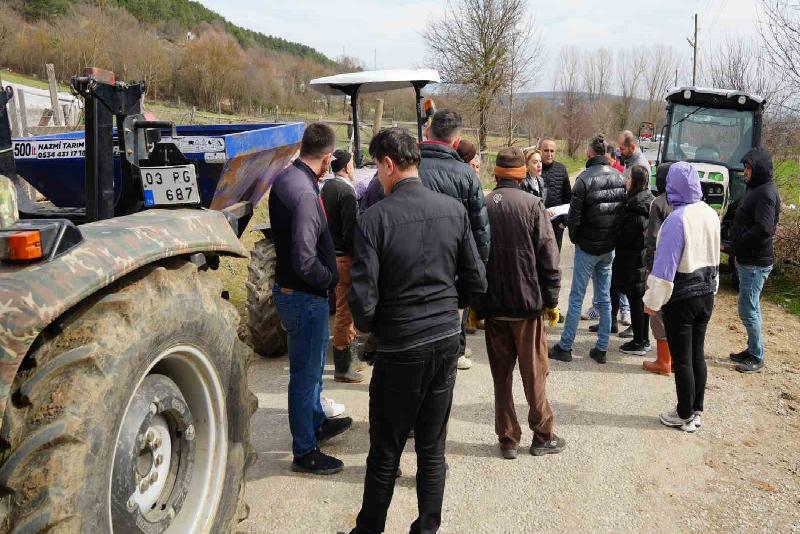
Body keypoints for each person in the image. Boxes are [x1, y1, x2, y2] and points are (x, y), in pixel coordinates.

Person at [347, 127, 487, 534]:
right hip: (444, 340)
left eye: (377, 167)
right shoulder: (453, 210)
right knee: (431, 445)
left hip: (402, 345)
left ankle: (369, 529)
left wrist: (377, 329)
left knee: (387, 449)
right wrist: (447, 309)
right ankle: (426, 528)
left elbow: (362, 301)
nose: (378, 175)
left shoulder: (374, 219)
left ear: (389, 164)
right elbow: (476, 281)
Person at [269, 123, 352, 474]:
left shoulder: (289, 178)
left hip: (298, 294)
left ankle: (316, 421)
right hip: (304, 295)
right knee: (305, 376)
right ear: (327, 158)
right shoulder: (303, 193)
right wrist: (329, 279)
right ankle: (305, 450)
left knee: (315, 368)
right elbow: (304, 257)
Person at [476, 147, 565, 460]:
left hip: (493, 308)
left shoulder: (483, 206)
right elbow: (549, 260)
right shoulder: (532, 205)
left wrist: (475, 304)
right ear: (521, 174)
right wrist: (552, 301)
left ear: (497, 174)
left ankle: (508, 439)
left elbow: (473, 260)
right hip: (527, 308)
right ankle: (542, 435)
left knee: (502, 377)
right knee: (534, 374)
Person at [644, 162, 720, 432]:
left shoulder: (676, 220)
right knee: (697, 354)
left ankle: (683, 413)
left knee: (683, 358)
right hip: (707, 292)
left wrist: (652, 303)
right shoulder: (711, 214)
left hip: (683, 296)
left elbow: (664, 270)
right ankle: (697, 409)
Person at [419, 110, 491, 371]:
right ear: (457, 141)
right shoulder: (467, 175)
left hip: (407, 264)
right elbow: (480, 232)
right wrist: (474, 278)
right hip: (450, 268)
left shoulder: (408, 167)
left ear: (428, 132)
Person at [549, 135, 626, 365]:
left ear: (590, 154)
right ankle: (602, 347)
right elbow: (621, 215)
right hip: (607, 247)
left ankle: (566, 346)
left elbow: (574, 218)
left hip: (588, 247)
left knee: (577, 297)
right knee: (603, 296)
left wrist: (576, 239)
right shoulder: (620, 178)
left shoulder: (584, 179)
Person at [729, 148, 781, 373]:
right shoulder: (757, 189)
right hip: (748, 259)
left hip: (756, 262)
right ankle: (752, 349)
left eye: (748, 168)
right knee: (751, 306)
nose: (744, 172)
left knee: (747, 309)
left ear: (758, 168)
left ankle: (757, 356)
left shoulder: (766, 194)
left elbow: (764, 228)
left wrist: (739, 242)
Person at [321, 149, 364, 383]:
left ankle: (350, 358)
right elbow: (350, 232)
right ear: (348, 167)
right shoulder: (347, 193)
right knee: (345, 312)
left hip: (329, 255)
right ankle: (342, 367)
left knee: (342, 309)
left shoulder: (327, 187)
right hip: (344, 259)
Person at [612, 165, 654, 355]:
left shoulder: (634, 209)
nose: (626, 182)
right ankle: (644, 339)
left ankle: (639, 342)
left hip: (633, 261)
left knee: (636, 301)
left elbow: (624, 238)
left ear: (636, 182)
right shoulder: (649, 201)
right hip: (642, 260)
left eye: (629, 179)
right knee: (641, 302)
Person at [642, 162, 674, 375]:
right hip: (679, 266)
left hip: (660, 265)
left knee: (658, 312)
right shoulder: (688, 202)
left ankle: (663, 361)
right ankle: (673, 357)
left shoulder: (659, 203)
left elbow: (652, 238)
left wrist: (649, 267)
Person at [539, 138, 572, 250]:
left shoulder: (561, 169)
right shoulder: (535, 169)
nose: (549, 154)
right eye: (546, 150)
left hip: (557, 224)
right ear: (540, 151)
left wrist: (564, 221)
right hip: (538, 222)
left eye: (552, 151)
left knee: (554, 257)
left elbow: (568, 196)